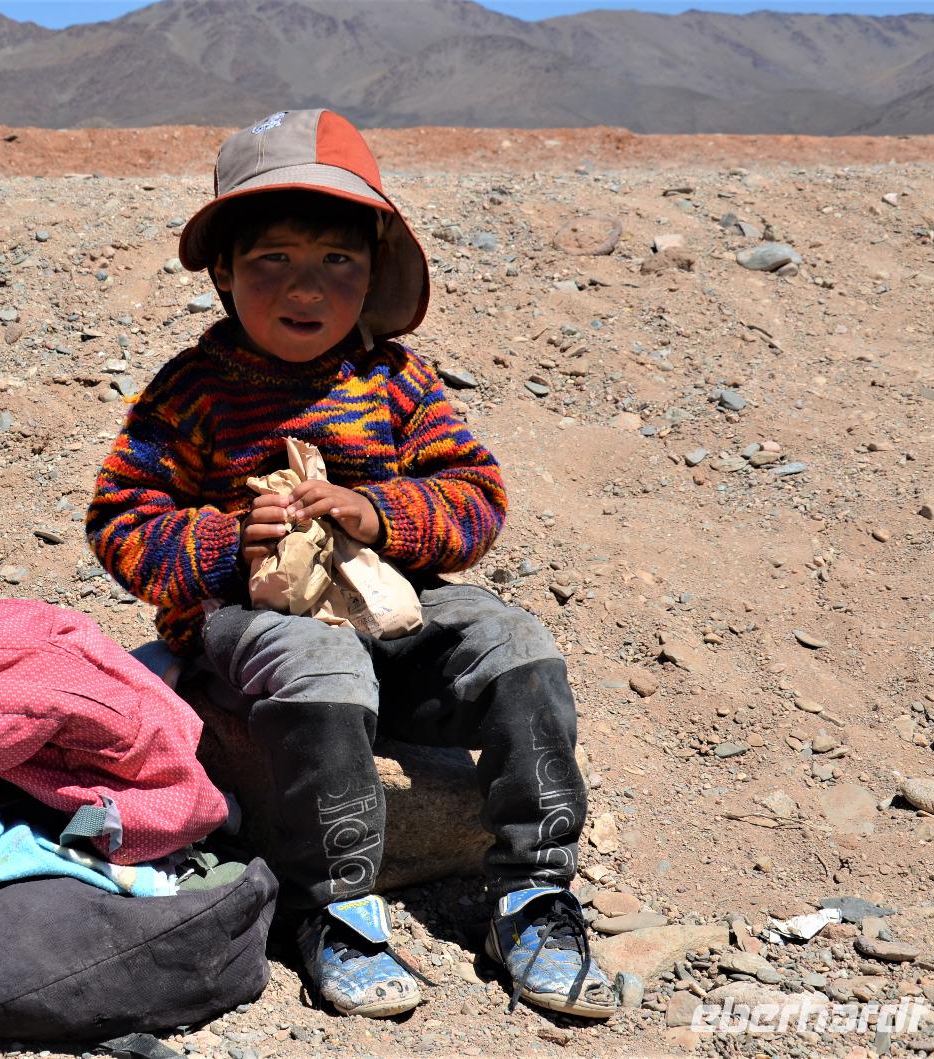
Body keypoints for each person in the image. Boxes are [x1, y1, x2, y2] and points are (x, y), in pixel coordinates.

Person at [85, 109, 617, 1021]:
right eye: (273, 260)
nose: (308, 287)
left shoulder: (397, 380)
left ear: (372, 271)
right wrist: (222, 544)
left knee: (513, 640)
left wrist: (379, 513)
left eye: (338, 260)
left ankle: (534, 888)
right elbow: (120, 518)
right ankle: (331, 904)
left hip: (393, 610)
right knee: (318, 658)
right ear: (221, 271)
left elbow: (477, 495)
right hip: (248, 631)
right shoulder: (190, 390)